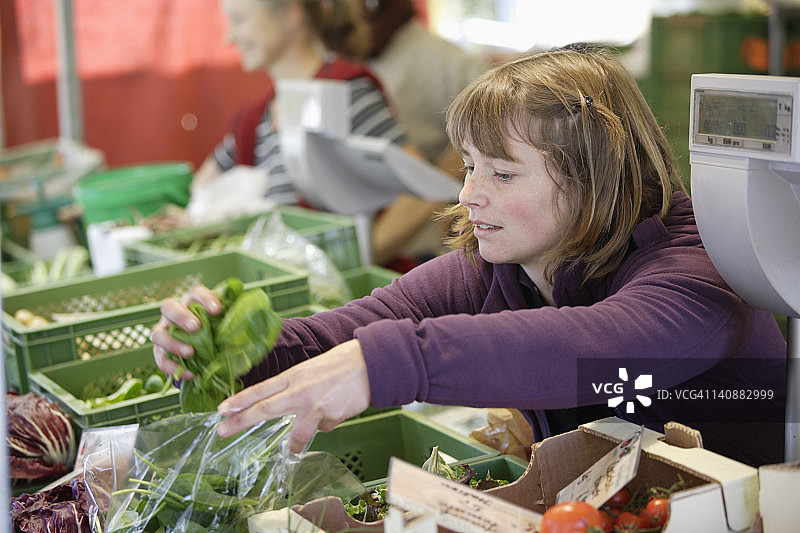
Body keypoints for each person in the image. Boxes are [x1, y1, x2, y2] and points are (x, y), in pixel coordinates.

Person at [153, 46, 787, 467]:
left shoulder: (700, 278)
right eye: (470, 168)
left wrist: (388, 363)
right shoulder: (498, 270)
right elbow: (332, 339)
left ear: (598, 178)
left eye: (503, 175)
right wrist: (224, 352)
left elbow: (595, 349)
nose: (468, 195)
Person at [194, 0, 442, 267]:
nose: (229, 37)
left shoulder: (345, 93)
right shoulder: (256, 119)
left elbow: (421, 193)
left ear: (291, 13)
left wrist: (348, 265)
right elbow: (201, 189)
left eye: (239, 19)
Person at [360, 0, 488, 262]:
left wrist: (439, 181)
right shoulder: (345, 53)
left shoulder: (443, 61)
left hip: (421, 241)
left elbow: (489, 122)